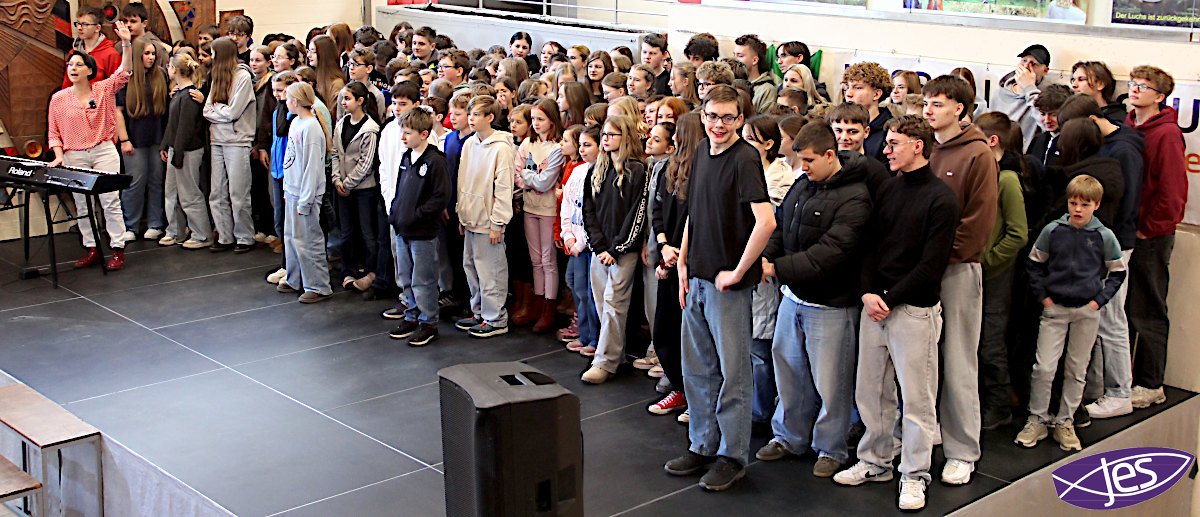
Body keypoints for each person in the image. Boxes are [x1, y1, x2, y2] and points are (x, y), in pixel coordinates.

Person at [833, 116, 959, 512]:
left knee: (917, 399)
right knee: (871, 391)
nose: (886, 150)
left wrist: (887, 296)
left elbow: (931, 265)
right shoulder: (888, 189)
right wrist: (868, 292)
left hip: (914, 310)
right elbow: (870, 245)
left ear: (918, 146)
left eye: (894, 144)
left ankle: (915, 474)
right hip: (877, 305)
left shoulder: (941, 199)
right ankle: (875, 460)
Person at [663, 85, 775, 492]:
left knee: (733, 375)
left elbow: (766, 221)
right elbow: (694, 213)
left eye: (729, 117)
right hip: (697, 278)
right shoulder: (700, 152)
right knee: (698, 370)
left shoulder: (744, 159)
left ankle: (732, 455)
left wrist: (739, 270)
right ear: (703, 116)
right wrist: (683, 264)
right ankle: (703, 443)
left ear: (740, 119)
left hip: (727, 287)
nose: (719, 125)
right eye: (713, 116)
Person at [757, 121, 873, 478]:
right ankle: (788, 436)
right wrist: (767, 255)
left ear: (830, 155)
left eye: (809, 160)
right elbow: (781, 226)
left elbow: (832, 252)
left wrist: (776, 268)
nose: (802, 167)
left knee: (831, 382)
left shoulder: (856, 197)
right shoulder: (803, 184)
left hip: (832, 302)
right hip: (793, 296)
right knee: (788, 371)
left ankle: (830, 447)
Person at [922, 75, 998, 486]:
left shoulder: (978, 154)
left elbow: (977, 225)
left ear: (960, 109)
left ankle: (963, 450)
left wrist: (936, 257)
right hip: (919, 270)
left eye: (938, 104)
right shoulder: (924, 146)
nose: (929, 110)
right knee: (922, 360)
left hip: (956, 269)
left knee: (958, 361)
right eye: (927, 103)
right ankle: (928, 431)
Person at [1016, 175, 1126, 451]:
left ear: (1096, 205)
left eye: (1085, 204)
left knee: (1076, 370)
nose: (1078, 209)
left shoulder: (1104, 236)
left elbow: (1117, 272)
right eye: (1073, 203)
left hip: (1086, 311)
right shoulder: (1053, 231)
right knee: (1044, 368)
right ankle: (1037, 418)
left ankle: (1065, 420)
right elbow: (1034, 264)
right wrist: (1045, 298)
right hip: (1055, 310)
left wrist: (1098, 302)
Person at [1057, 94, 1144, 419]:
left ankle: (1120, 392)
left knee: (1111, 318)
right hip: (1102, 243)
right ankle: (1098, 389)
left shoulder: (1124, 150)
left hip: (1115, 244)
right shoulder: (1111, 147)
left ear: (1091, 122)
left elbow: (1127, 203)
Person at [48, 21, 135, 270]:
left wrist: (126, 44)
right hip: (74, 154)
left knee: (110, 201)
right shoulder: (58, 98)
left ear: (89, 70)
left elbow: (124, 72)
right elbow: (53, 132)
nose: (73, 68)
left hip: (103, 150)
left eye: (78, 65)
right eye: (70, 65)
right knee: (83, 204)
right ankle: (92, 248)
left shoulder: (103, 89)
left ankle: (117, 248)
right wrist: (58, 155)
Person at [1125, 65, 1187, 410]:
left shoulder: (1166, 134)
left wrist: (1149, 228)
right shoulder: (1129, 126)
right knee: (1127, 309)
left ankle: (1151, 383)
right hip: (1129, 232)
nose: (1135, 89)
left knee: (1148, 308)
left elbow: (1173, 191)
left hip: (1151, 235)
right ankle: (1125, 379)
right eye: (1133, 84)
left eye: (1144, 86)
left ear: (1160, 96)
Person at [579, 115, 649, 384]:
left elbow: (637, 215)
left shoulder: (637, 171)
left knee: (614, 303)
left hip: (623, 251)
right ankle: (614, 354)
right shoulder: (597, 169)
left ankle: (604, 361)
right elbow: (588, 209)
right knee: (601, 302)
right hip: (601, 249)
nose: (605, 139)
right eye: (604, 135)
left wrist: (617, 249)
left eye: (611, 135)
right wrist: (599, 246)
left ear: (626, 137)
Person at [974, 112, 1029, 430]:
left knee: (991, 341)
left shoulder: (1007, 179)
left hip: (996, 275)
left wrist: (990, 260)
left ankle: (998, 404)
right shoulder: (984, 173)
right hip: (976, 272)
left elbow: (1017, 234)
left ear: (992, 141)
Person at [648, 113, 703, 417]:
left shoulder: (704, 172)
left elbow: (696, 221)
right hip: (669, 255)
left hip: (689, 264)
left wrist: (676, 256)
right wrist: (663, 247)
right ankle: (679, 388)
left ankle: (695, 397)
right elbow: (656, 211)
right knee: (664, 331)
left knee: (690, 335)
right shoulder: (668, 169)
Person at [387, 107, 452, 346]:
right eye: (402, 132)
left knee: (423, 279)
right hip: (403, 229)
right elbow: (400, 190)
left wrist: (416, 216)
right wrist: (396, 214)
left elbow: (440, 196)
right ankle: (412, 315)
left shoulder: (435, 161)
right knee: (406, 276)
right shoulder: (407, 157)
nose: (403, 137)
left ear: (424, 134)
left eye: (408, 133)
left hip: (422, 231)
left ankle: (428, 322)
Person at [455, 95, 516, 338]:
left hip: (489, 221)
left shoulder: (501, 148)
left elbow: (503, 188)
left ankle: (496, 318)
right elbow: (463, 181)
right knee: (471, 267)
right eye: (469, 113)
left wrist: (497, 223)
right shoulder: (470, 144)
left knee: (491, 270)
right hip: (470, 217)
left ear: (490, 117)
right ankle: (479, 311)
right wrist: (462, 212)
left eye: (477, 114)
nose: (471, 118)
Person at [278, 81, 332, 303]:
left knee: (309, 240)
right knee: (292, 238)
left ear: (295, 101)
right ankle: (295, 278)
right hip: (293, 190)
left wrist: (306, 199)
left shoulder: (310, 128)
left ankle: (318, 285)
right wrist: (287, 189)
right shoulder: (296, 123)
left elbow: (312, 169)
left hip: (305, 194)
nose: (285, 101)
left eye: (287, 98)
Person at [516, 99, 567, 333]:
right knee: (535, 260)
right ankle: (537, 302)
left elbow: (545, 182)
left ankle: (549, 307)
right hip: (530, 206)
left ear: (552, 121)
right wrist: (530, 178)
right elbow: (517, 174)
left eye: (540, 119)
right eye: (533, 119)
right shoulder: (527, 143)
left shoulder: (557, 148)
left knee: (548, 260)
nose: (535, 124)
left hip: (548, 209)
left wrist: (529, 177)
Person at [204, 37, 258, 253]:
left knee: (238, 192)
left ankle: (245, 236)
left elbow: (234, 112)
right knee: (216, 193)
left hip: (238, 141)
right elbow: (206, 110)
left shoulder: (243, 77)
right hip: (217, 140)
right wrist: (220, 110)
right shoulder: (217, 76)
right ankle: (224, 236)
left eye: (213, 53)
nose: (211, 57)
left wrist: (217, 109)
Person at [332, 82, 386, 294]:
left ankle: (371, 270)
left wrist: (347, 183)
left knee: (367, 232)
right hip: (343, 186)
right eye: (343, 99)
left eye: (348, 99)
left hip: (364, 189)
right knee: (346, 231)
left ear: (360, 101)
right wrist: (337, 179)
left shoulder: (370, 129)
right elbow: (335, 153)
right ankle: (348, 269)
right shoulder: (341, 124)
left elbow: (366, 164)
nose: (343, 103)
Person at [116, 36, 169, 243]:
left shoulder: (161, 75)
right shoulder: (126, 78)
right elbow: (118, 111)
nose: (151, 57)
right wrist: (124, 140)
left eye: (153, 54)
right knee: (135, 182)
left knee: (156, 180)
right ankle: (130, 225)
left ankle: (155, 223)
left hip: (157, 137)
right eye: (146, 54)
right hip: (134, 138)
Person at [159, 52, 212, 249]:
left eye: (169, 66)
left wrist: (179, 153)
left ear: (174, 69)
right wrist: (166, 145)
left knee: (190, 193)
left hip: (187, 150)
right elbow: (172, 124)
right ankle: (175, 230)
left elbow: (186, 128)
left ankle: (202, 234)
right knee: (171, 193)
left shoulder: (189, 96)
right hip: (177, 148)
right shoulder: (178, 94)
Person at [561, 125, 602, 355]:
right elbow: (567, 205)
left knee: (591, 293)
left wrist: (581, 242)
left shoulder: (601, 174)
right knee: (578, 289)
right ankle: (584, 335)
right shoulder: (577, 171)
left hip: (589, 245)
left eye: (588, 145)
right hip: (575, 242)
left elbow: (594, 215)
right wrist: (567, 234)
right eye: (580, 145)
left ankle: (595, 339)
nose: (582, 150)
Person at [991, 44, 1051, 150]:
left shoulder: (1046, 95)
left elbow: (1046, 124)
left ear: (1045, 71)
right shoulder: (1000, 92)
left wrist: (1029, 87)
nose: (1026, 67)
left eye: (1033, 64)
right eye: (1024, 61)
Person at [841, 62, 892, 162]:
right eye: (847, 87)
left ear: (876, 94)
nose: (848, 94)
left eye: (858, 88)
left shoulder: (890, 132)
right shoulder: (837, 124)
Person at [63, 6, 122, 89]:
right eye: (78, 23)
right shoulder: (74, 52)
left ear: (97, 28)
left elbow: (117, 86)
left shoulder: (111, 54)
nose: (79, 28)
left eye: (85, 24)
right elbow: (67, 85)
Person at [1026, 84, 1072, 170]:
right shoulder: (1038, 140)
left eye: (1053, 114)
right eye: (1043, 114)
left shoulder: (1073, 143)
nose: (1047, 120)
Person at [734, 34, 777, 114]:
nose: (735, 59)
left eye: (740, 56)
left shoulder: (766, 90)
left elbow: (765, 119)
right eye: (734, 55)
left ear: (754, 60)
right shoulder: (733, 82)